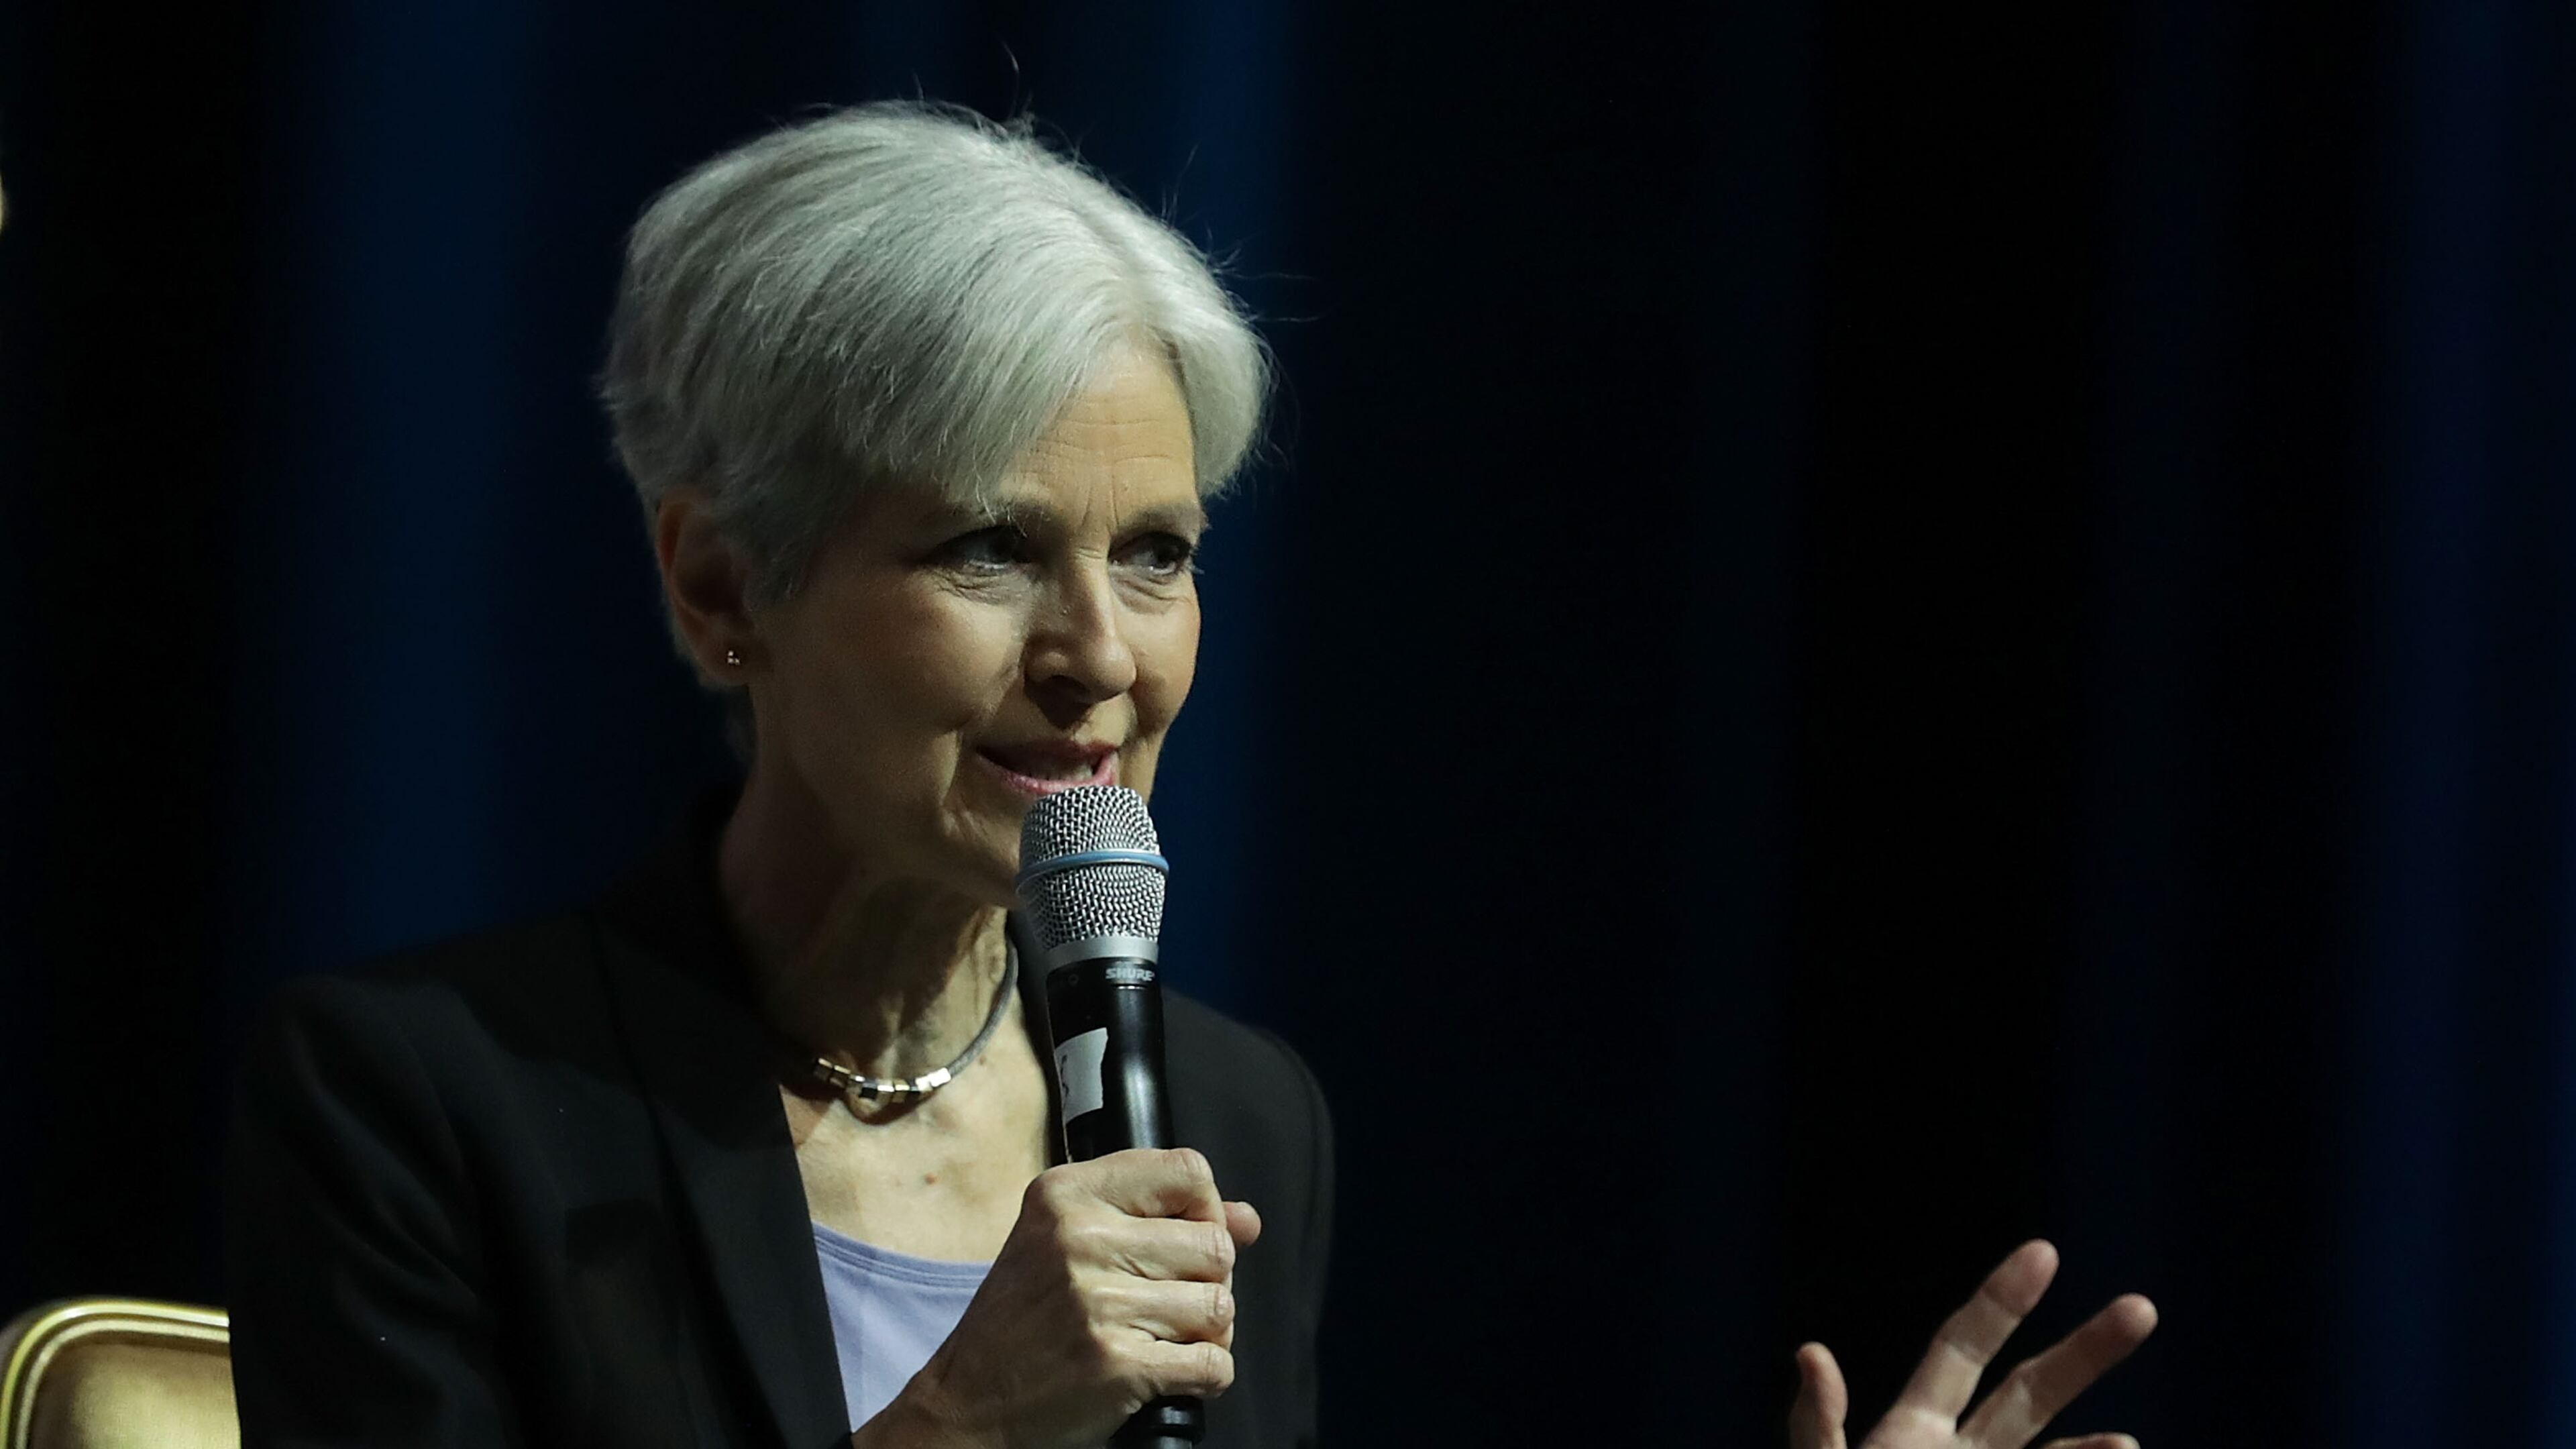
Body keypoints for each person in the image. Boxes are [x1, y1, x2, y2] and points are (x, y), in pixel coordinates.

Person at [225, 102, 2153, 1449]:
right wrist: (966, 1425)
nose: (1104, 656)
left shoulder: (1236, 1116)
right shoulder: (427, 1099)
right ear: (725, 581)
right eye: (988, 549)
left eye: (1157, 551)